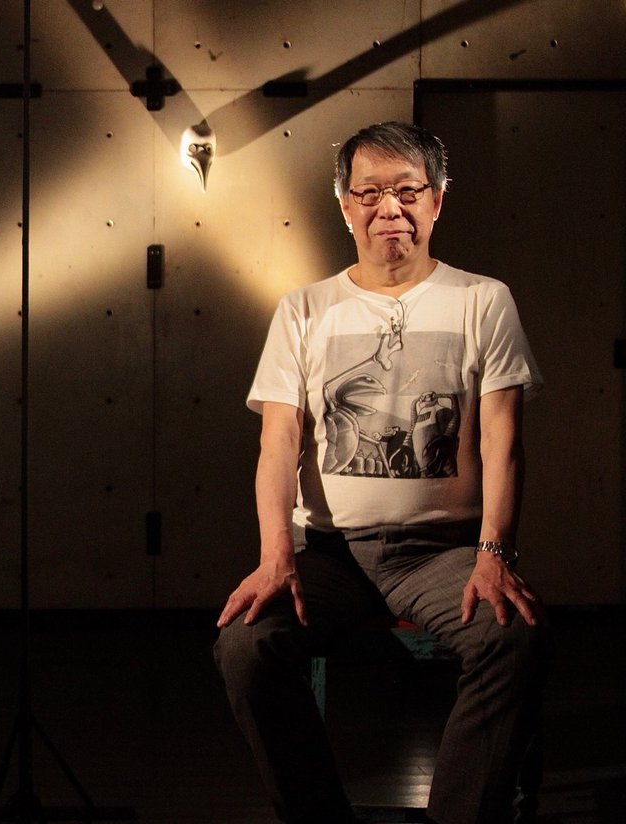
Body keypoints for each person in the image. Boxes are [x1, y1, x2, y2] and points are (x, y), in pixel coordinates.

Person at [213, 122, 549, 824]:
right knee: (245, 648)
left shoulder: (483, 300)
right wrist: (276, 556)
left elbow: (503, 439)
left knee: (511, 638)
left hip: (443, 551)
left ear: (437, 200)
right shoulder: (304, 309)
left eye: (407, 190)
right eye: (369, 193)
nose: (388, 208)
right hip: (330, 553)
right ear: (345, 206)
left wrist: (494, 552)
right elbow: (278, 443)